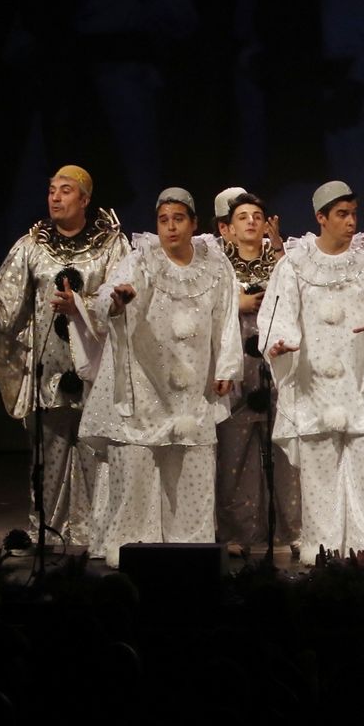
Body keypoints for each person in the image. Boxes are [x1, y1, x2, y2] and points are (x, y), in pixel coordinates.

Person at [0, 164, 130, 547]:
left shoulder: (112, 245)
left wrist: (81, 306)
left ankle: (93, 533)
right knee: (49, 457)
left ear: (85, 200)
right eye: (52, 190)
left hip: (95, 372)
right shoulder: (32, 246)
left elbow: (122, 297)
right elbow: (7, 299)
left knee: (95, 455)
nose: (55, 197)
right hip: (49, 373)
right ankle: (46, 531)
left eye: (65, 190)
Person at [75, 189, 240, 566]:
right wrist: (117, 301)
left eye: (178, 219)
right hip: (146, 381)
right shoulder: (142, 259)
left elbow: (226, 316)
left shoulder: (214, 265)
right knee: (137, 469)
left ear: (193, 223)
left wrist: (226, 367)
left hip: (193, 385)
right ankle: (132, 547)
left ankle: (191, 549)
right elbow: (106, 297)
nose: (170, 227)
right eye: (163, 220)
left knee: (192, 468)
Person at [260, 181, 364, 564]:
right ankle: (322, 549)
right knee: (320, 481)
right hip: (314, 386)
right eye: (342, 214)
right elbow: (277, 316)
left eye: (354, 214)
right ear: (321, 218)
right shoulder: (294, 264)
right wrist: (278, 344)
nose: (350, 222)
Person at [214, 191, 300, 557]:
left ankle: (294, 530)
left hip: (274, 369)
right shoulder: (219, 266)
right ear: (228, 229)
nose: (251, 221)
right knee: (234, 456)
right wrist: (238, 303)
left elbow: (297, 297)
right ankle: (237, 533)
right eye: (242, 217)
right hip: (236, 371)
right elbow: (208, 306)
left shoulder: (281, 263)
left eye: (257, 216)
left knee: (284, 453)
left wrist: (279, 249)